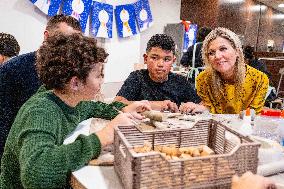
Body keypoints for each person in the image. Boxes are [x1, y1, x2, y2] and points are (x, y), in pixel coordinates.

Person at [0, 33, 151, 188]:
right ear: (75, 83)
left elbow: (95, 107)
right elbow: (36, 173)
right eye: (99, 75)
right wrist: (104, 136)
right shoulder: (40, 111)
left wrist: (123, 108)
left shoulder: (71, 100)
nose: (102, 81)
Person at [0, 14, 82, 158]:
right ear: (46, 36)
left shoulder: (72, 73)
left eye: (75, 43)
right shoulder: (12, 69)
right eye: (63, 40)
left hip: (55, 150)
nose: (69, 48)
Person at [114, 34, 206, 113]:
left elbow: (202, 105)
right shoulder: (137, 77)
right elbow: (116, 104)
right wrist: (156, 105)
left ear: (173, 61)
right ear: (146, 59)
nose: (160, 64)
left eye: (167, 59)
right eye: (154, 58)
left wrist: (194, 106)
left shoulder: (180, 81)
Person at [196, 27, 269, 114]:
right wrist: (202, 109)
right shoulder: (203, 79)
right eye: (211, 53)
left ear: (237, 51)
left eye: (223, 49)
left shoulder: (259, 79)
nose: (217, 56)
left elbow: (252, 116)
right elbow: (209, 110)